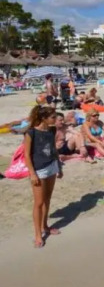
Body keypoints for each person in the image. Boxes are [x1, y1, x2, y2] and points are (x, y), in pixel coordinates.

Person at [24, 105, 63, 248]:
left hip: (52, 166)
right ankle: (37, 235)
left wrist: (59, 166)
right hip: (39, 170)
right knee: (39, 202)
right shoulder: (31, 133)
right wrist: (32, 173)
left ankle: (45, 226)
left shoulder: (52, 130)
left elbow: (54, 150)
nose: (55, 119)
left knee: (47, 199)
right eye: (53, 117)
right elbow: (27, 155)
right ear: (43, 118)